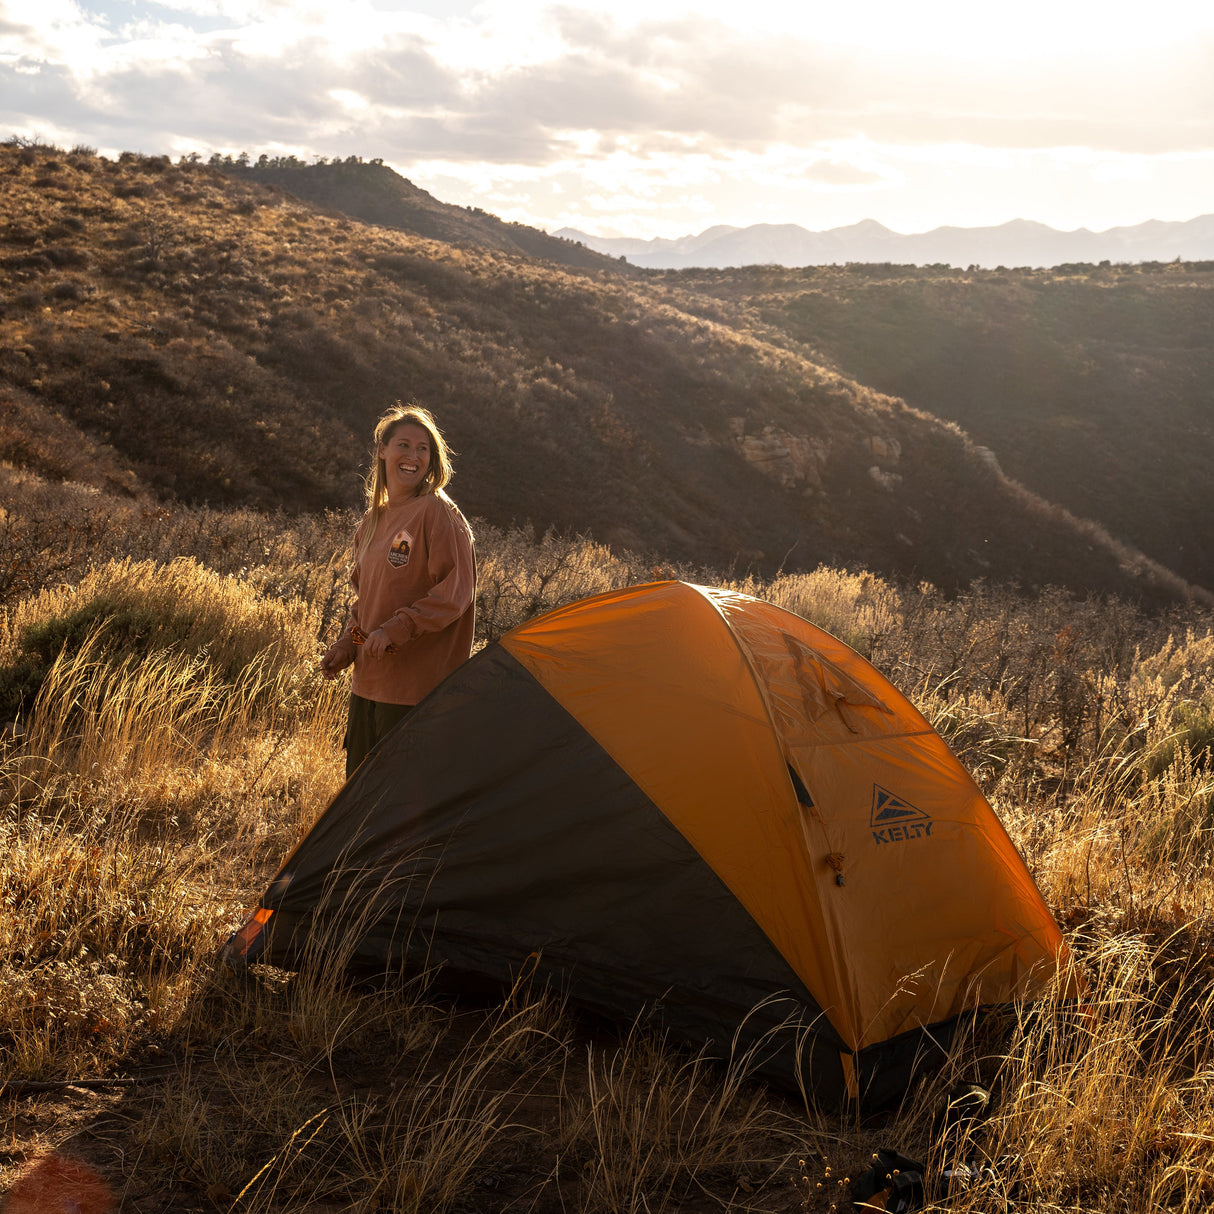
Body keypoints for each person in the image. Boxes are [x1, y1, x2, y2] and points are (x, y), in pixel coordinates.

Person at [321, 403, 476, 778]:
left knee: (401, 807)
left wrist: (399, 628)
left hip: (414, 693)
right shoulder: (372, 521)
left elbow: (456, 592)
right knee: (358, 797)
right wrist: (348, 645)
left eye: (423, 448)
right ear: (382, 450)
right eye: (403, 445)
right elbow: (366, 603)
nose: (413, 456)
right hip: (367, 687)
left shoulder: (437, 513)